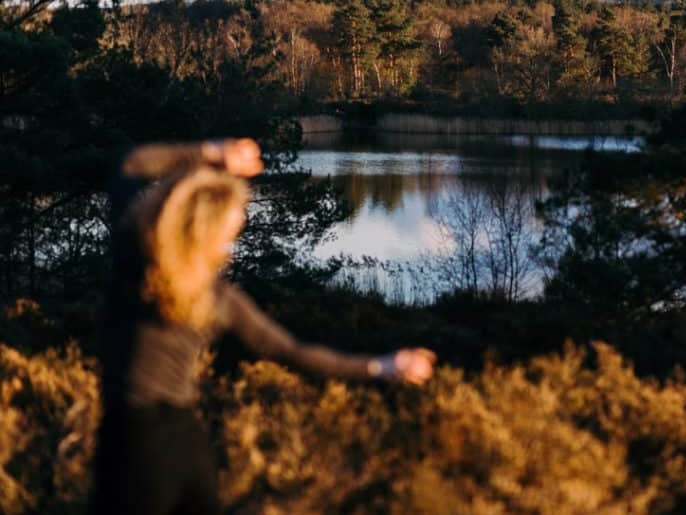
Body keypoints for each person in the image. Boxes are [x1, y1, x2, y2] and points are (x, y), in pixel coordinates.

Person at [91, 138, 435, 514]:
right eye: (229, 234)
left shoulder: (134, 258)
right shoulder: (216, 298)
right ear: (205, 232)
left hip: (138, 438)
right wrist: (384, 366)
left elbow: (132, 163)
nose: (230, 247)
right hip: (176, 443)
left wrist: (214, 154)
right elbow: (292, 352)